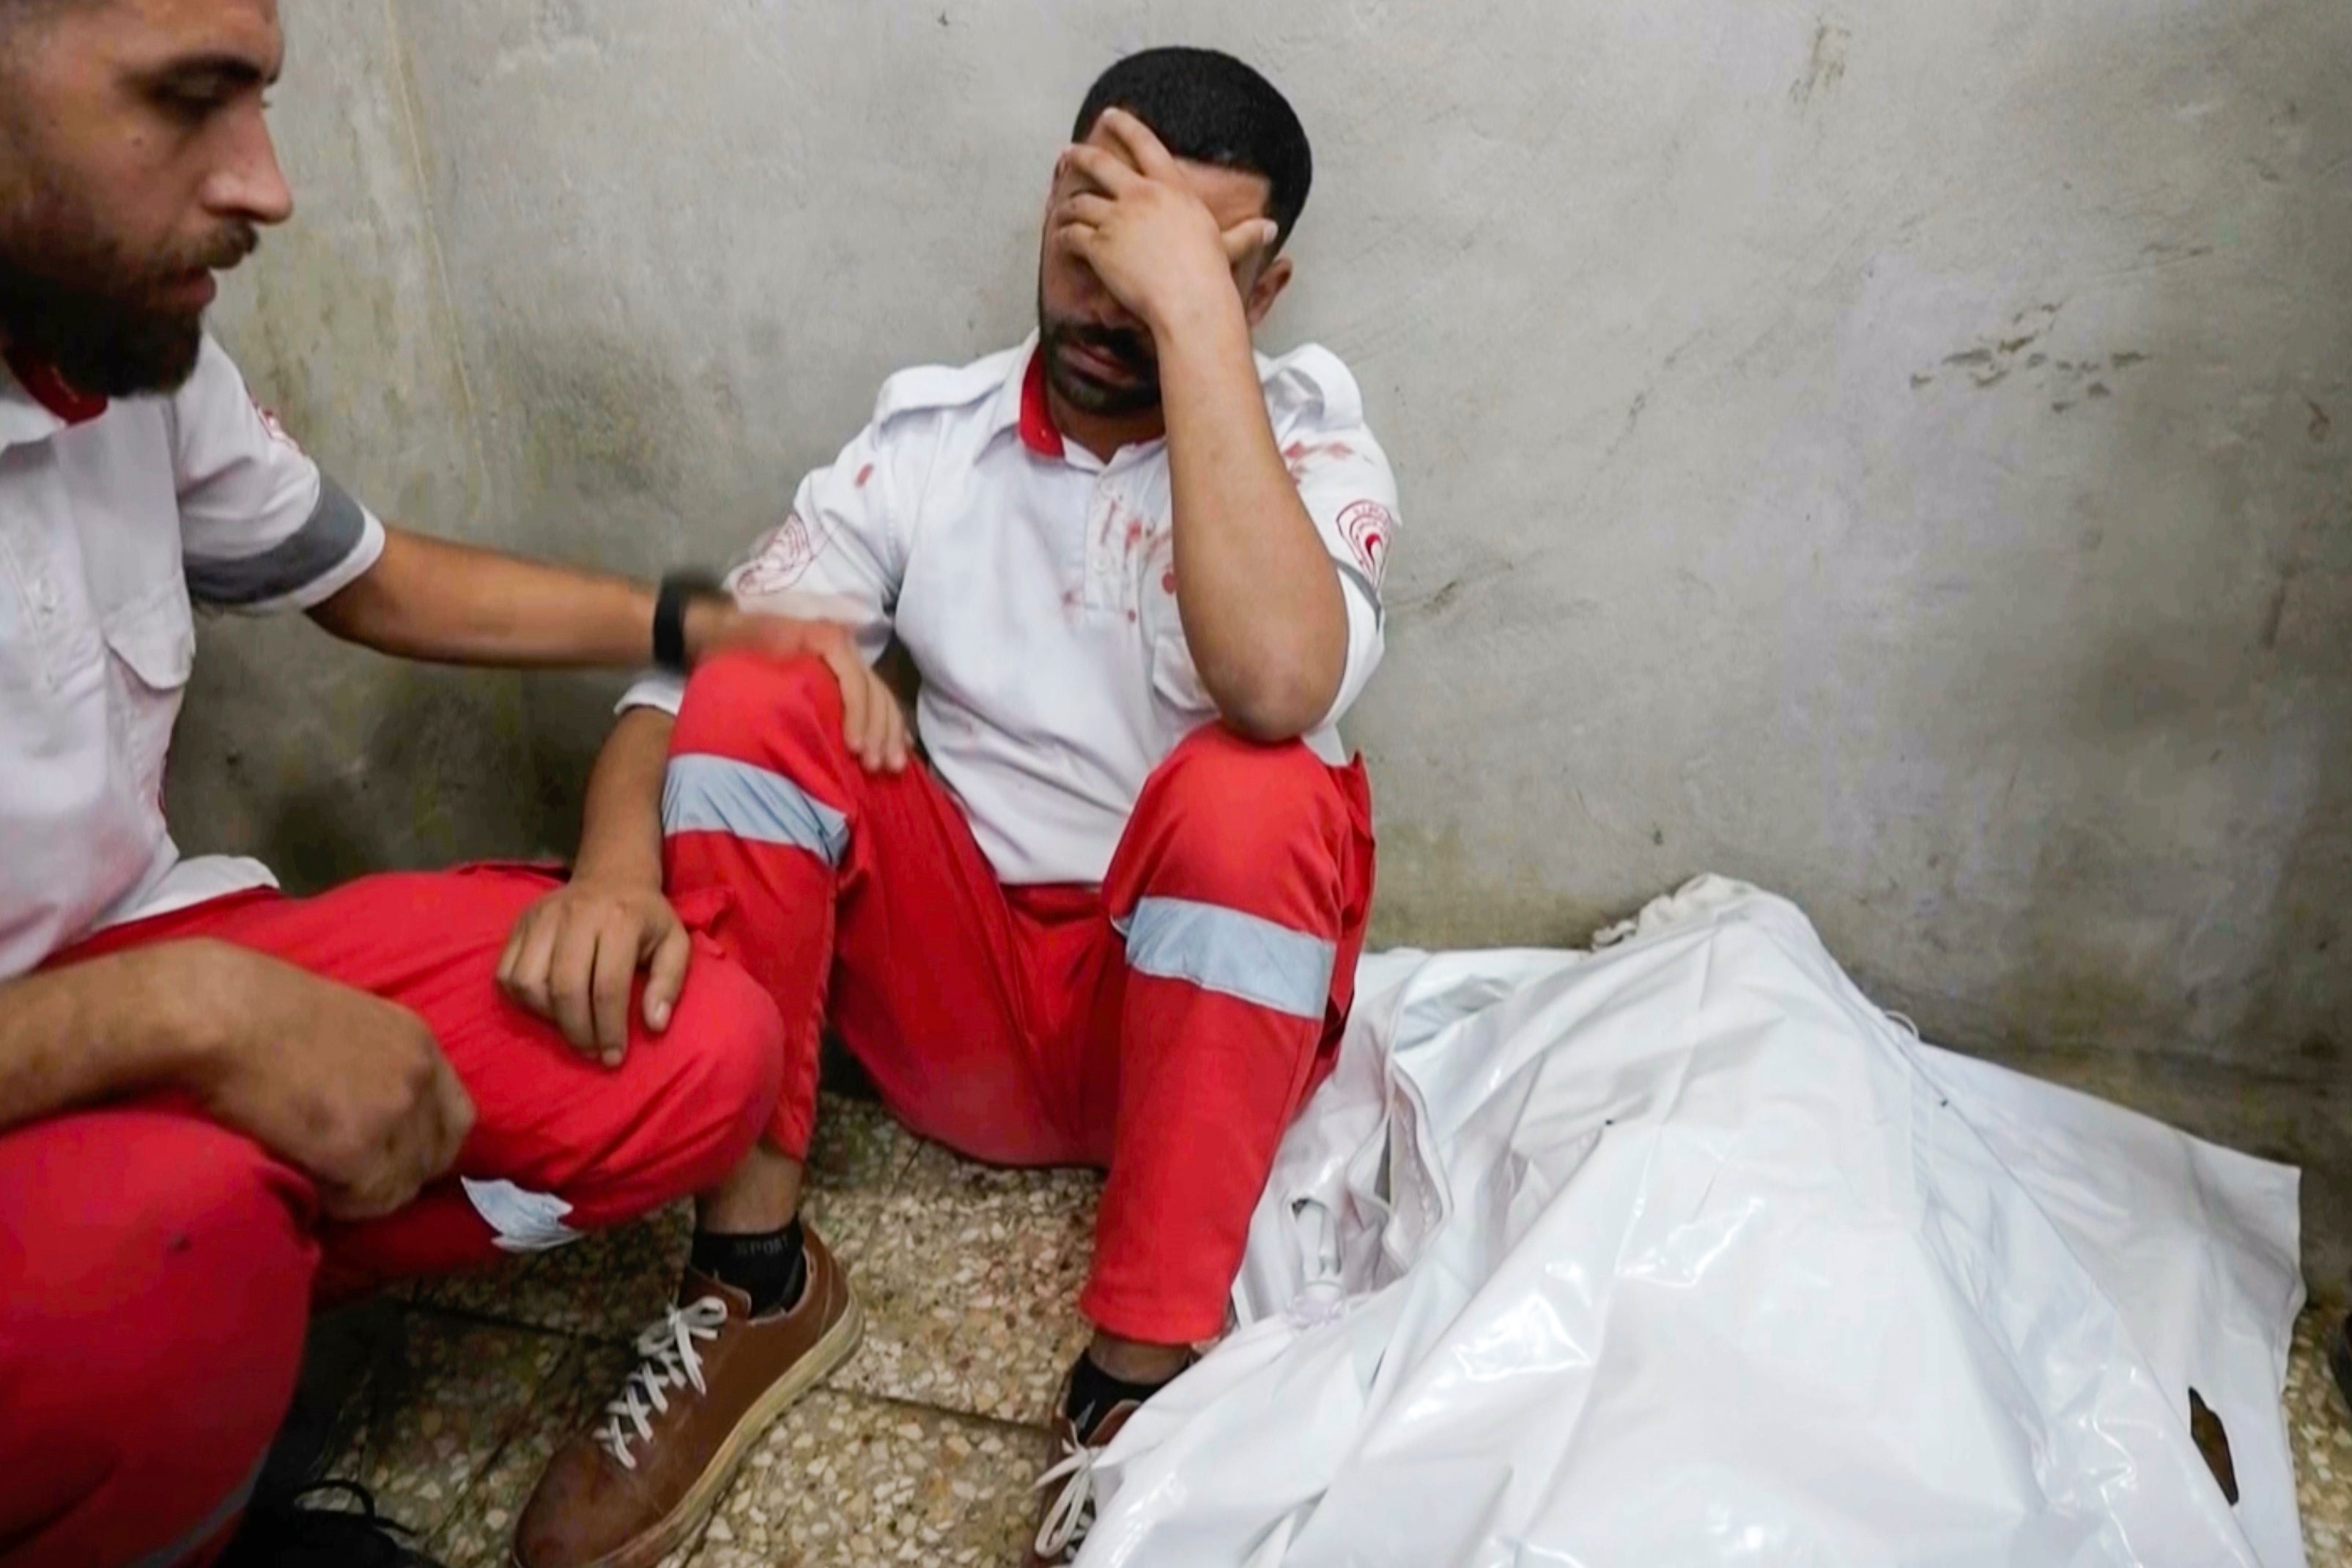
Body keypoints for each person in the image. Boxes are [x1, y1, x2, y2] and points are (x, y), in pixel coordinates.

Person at [0, 4, 900, 1564]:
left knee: (698, 1047)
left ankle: (215, 1315)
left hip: (125, 951)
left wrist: (694, 621)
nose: (269, 185)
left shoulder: (107, 342)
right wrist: (194, 1020)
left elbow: (371, 576)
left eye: (264, 102)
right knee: (164, 1250)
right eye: (190, 99)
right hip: (111, 1019)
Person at [503, 45, 1397, 1568]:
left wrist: (1195, 322)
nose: (1113, 297)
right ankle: (754, 1276)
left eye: (1177, 263)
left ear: (1261, 285)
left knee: (1263, 783)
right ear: (1058, 199)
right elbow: (682, 678)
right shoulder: (933, 440)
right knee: (760, 677)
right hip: (953, 1008)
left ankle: (1136, 1378)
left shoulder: (1308, 438)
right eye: (1100, 235)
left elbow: (1277, 679)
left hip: (1172, 1055)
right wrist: (605, 863)